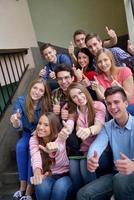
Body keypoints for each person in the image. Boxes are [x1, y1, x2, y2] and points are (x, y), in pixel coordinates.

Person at [77, 86, 134, 200]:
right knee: (83, 194)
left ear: (126, 104)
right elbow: (97, 146)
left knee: (120, 180)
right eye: (108, 104)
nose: (112, 107)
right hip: (116, 173)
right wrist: (92, 160)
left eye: (116, 102)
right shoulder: (107, 126)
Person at [66, 82, 113, 192]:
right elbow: (70, 123)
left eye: (80, 93)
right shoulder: (76, 112)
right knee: (73, 168)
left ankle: (92, 194)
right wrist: (67, 130)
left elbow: (99, 125)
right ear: (72, 100)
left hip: (101, 152)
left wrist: (89, 130)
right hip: (84, 150)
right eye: (74, 97)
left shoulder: (98, 105)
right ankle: (80, 194)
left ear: (85, 91)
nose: (79, 98)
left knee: (84, 164)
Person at [10, 78, 51, 200]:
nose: (37, 92)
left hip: (40, 134)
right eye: (35, 88)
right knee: (20, 146)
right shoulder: (21, 101)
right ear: (30, 88)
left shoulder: (45, 104)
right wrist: (16, 122)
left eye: (41, 90)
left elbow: (47, 123)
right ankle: (22, 186)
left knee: (31, 151)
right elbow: (18, 126)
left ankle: (29, 188)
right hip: (27, 133)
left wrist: (38, 132)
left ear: (44, 93)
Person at [30, 112, 73, 200]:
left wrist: (54, 151)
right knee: (41, 186)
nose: (41, 127)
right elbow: (35, 157)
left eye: (46, 125)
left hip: (64, 175)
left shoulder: (60, 137)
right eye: (40, 123)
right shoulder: (34, 139)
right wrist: (37, 174)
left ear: (53, 127)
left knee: (59, 187)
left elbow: (62, 160)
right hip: (47, 175)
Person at [91, 48, 134, 115]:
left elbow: (129, 98)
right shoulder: (98, 78)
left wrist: (120, 88)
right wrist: (97, 89)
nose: (103, 64)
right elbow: (103, 99)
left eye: (105, 60)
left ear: (111, 60)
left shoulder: (125, 71)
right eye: (99, 62)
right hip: (113, 109)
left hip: (130, 106)